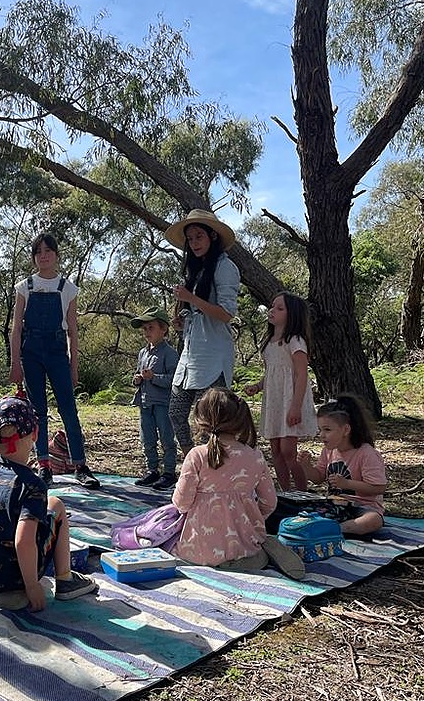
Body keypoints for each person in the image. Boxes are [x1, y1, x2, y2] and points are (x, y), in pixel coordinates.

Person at [0, 396, 99, 611]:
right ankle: (65, 580)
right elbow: (23, 541)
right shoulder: (32, 484)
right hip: (15, 582)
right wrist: (32, 586)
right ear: (36, 434)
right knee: (55, 505)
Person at [9, 233, 100, 489]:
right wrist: (15, 363)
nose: (44, 256)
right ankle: (44, 467)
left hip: (58, 350)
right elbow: (16, 328)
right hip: (31, 351)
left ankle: (80, 465)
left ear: (57, 255)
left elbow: (72, 329)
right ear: (34, 257)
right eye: (39, 252)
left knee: (69, 409)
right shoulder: (24, 286)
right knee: (38, 412)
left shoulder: (68, 288)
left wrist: (74, 366)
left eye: (48, 251)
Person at [171, 388, 283, 570]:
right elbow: (269, 502)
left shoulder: (197, 455)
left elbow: (181, 503)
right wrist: (246, 516)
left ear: (202, 418)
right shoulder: (255, 456)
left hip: (198, 551)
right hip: (245, 549)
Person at [164, 209, 241, 458]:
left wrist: (191, 299)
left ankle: (212, 470)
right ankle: (192, 462)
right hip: (190, 355)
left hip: (212, 356)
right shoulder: (196, 270)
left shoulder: (225, 267)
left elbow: (227, 314)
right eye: (190, 238)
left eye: (199, 236)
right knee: (176, 412)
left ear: (212, 237)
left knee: (209, 421)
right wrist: (183, 319)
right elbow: (196, 311)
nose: (194, 243)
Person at [244, 291, 317, 489]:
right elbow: (271, 372)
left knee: (288, 452)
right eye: (272, 306)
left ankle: (302, 494)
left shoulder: (295, 340)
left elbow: (302, 375)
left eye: (280, 308)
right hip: (275, 401)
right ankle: (285, 492)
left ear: (292, 314)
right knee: (275, 450)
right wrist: (258, 386)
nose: (272, 310)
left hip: (290, 400)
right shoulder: (268, 342)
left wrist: (295, 407)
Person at [298, 394, 387, 537]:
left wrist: (347, 484)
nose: (321, 435)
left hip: (362, 507)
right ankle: (325, 526)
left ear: (346, 430)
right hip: (334, 505)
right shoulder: (328, 451)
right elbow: (318, 478)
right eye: (320, 430)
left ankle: (337, 528)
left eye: (327, 430)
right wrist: (306, 466)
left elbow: (379, 487)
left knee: (373, 520)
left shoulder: (366, 453)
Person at [130, 306, 179, 491]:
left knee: (167, 438)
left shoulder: (170, 353)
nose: (146, 332)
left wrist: (154, 378)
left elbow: (175, 379)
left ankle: (168, 473)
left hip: (162, 403)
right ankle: (152, 470)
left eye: (151, 328)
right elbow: (139, 373)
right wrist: (137, 379)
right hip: (144, 402)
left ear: (163, 329)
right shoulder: (143, 353)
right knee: (147, 438)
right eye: (144, 329)